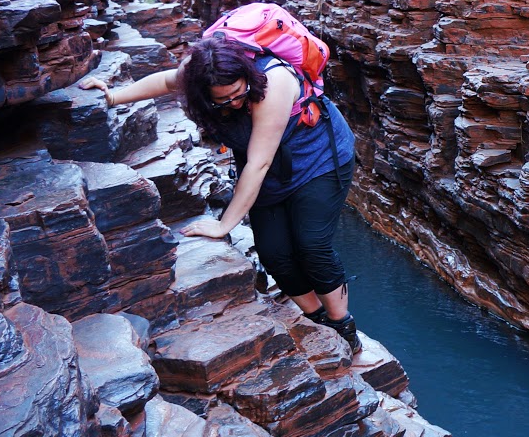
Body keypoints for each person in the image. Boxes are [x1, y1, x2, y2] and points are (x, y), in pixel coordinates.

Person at [79, 33, 362, 354]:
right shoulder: (199, 74)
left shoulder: (274, 81)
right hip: (270, 171)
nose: (234, 104)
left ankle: (343, 326)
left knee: (311, 244)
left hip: (318, 160)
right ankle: (317, 318)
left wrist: (224, 224)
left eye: (239, 94)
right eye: (222, 101)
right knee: (274, 253)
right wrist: (112, 96)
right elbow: (166, 81)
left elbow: (259, 163)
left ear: (247, 77)